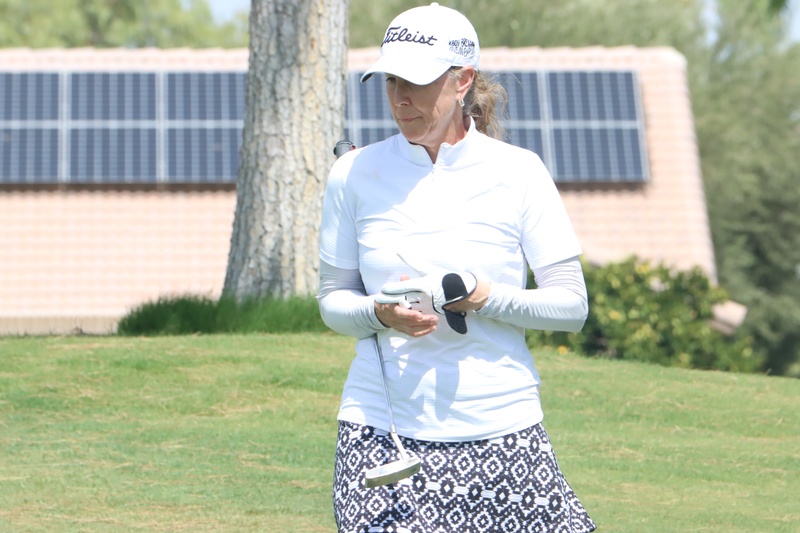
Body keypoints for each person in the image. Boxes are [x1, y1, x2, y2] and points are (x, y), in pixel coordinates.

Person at [317, 3, 596, 532]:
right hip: (381, 430)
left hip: (503, 428)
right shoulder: (352, 172)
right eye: (391, 79)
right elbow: (333, 300)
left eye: (417, 82)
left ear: (462, 79)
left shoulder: (519, 172)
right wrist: (379, 314)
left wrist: (482, 296)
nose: (400, 97)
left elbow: (571, 306)